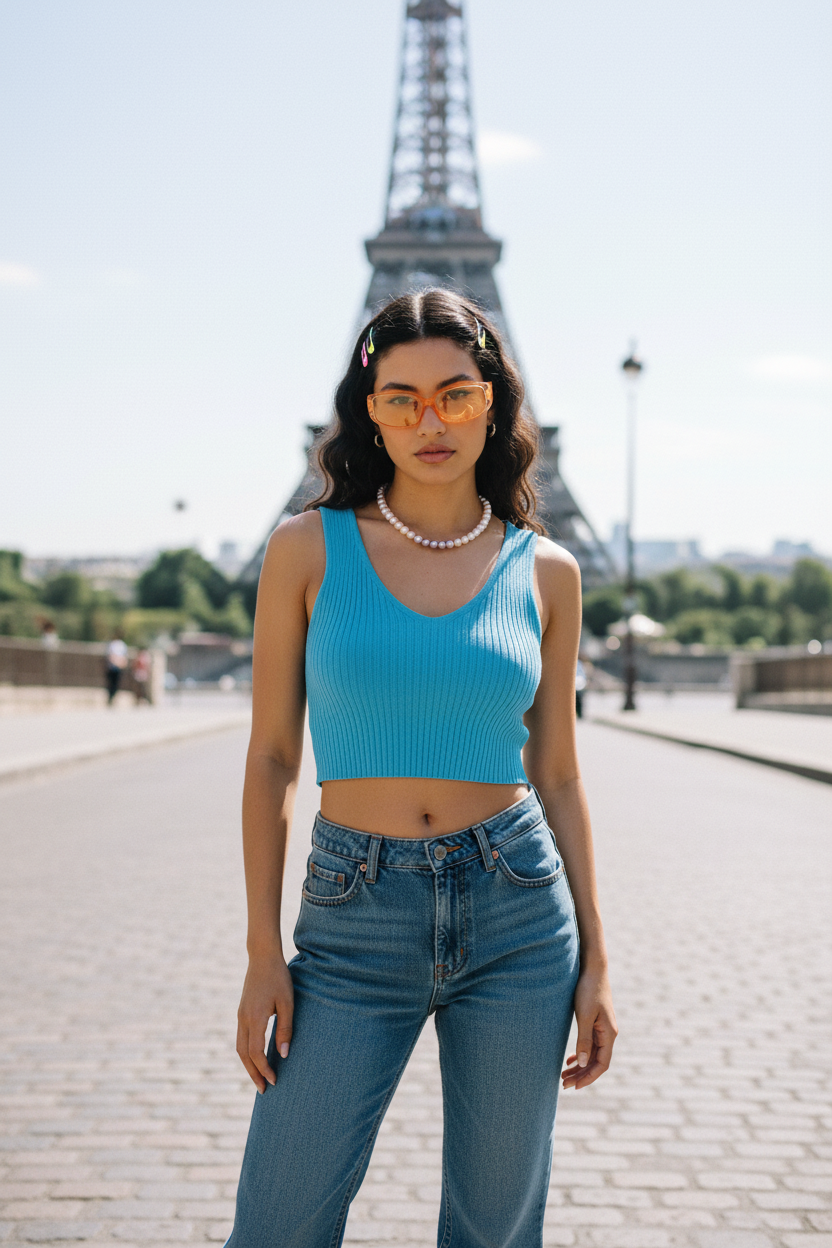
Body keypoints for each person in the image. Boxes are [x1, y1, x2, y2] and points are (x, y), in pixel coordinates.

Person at [227, 290, 617, 1248]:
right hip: (354, 913)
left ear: (493, 402)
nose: (430, 421)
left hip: (519, 912)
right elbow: (273, 757)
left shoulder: (549, 571)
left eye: (455, 394)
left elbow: (560, 774)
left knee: (495, 1231)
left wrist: (598, 960)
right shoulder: (306, 548)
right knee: (278, 1221)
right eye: (401, 399)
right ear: (370, 412)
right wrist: (262, 950)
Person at [105, 634, 128, 705]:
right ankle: (111, 697)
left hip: (117, 667)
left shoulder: (120, 645)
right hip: (113, 667)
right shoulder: (114, 644)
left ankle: (112, 697)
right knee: (112, 683)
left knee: (115, 683)